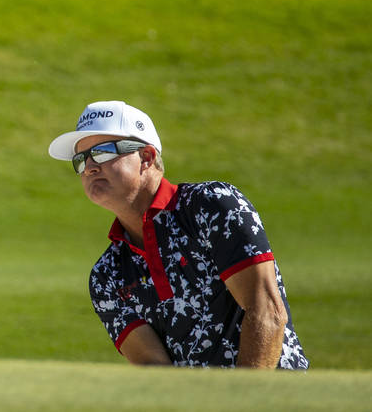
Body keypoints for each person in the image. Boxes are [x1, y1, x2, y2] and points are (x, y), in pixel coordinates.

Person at [48, 100, 308, 369]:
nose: (89, 167)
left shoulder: (213, 205)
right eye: (80, 160)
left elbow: (267, 312)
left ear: (146, 158)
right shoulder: (106, 275)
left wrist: (241, 399)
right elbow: (156, 370)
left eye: (102, 152)